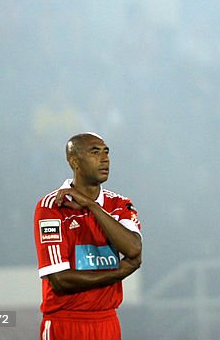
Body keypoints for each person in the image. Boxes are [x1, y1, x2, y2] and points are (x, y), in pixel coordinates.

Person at [34, 132, 142, 340]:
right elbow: (60, 280)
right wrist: (118, 273)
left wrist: (91, 206)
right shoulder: (52, 207)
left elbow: (133, 249)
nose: (105, 159)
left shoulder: (119, 204)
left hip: (107, 323)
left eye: (106, 152)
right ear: (74, 161)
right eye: (95, 152)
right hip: (64, 323)